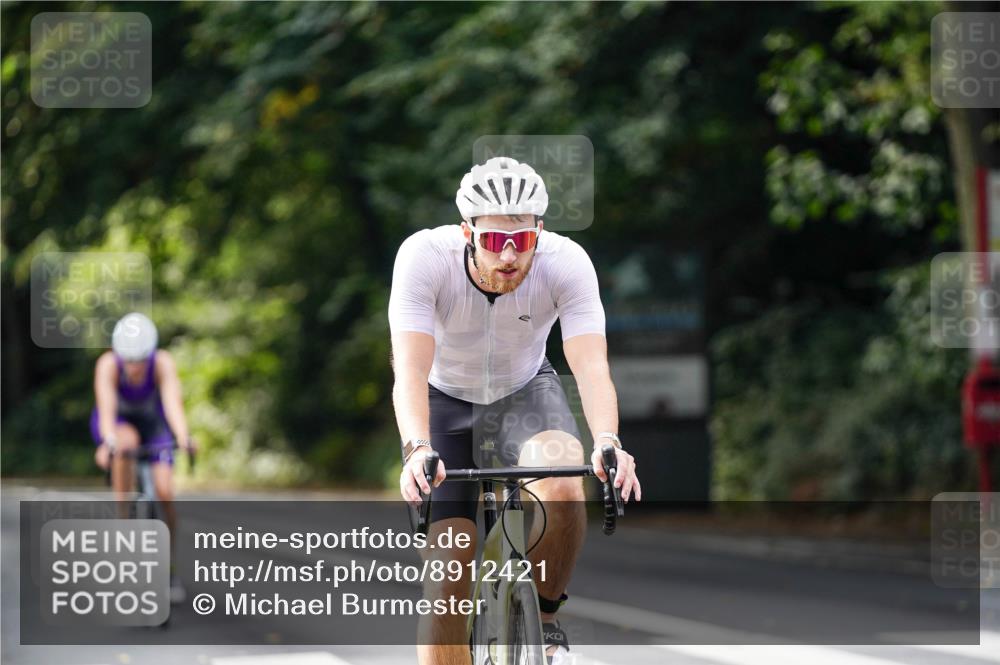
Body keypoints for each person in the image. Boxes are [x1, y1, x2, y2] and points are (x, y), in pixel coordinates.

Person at [389, 156, 640, 665]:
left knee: (565, 484)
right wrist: (417, 448)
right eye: (494, 240)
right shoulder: (423, 257)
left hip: (525, 392)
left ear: (539, 232)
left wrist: (609, 442)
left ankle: (545, 625)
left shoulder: (566, 262)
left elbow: (591, 367)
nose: (508, 255)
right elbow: (410, 373)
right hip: (444, 401)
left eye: (521, 241)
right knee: (449, 574)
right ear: (467, 232)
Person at [91, 312, 195, 603]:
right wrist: (107, 441)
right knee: (126, 443)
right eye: (129, 360)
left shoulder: (162, 362)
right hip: (120, 426)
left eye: (140, 360)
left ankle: (170, 566)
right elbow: (107, 409)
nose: (134, 367)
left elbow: (173, 403)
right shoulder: (108, 365)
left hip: (154, 425)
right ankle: (124, 522)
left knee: (164, 492)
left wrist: (184, 437)